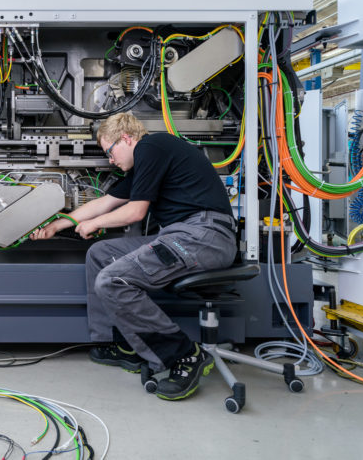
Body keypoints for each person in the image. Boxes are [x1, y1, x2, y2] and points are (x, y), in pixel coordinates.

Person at [31, 112, 237, 401]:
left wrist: (94, 224)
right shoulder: (145, 164)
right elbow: (107, 202)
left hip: (206, 237)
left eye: (110, 152)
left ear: (126, 138)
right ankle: (118, 342)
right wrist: (59, 224)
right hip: (181, 236)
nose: (111, 161)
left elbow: (135, 212)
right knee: (100, 254)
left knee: (112, 280)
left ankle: (185, 355)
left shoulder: (151, 147)